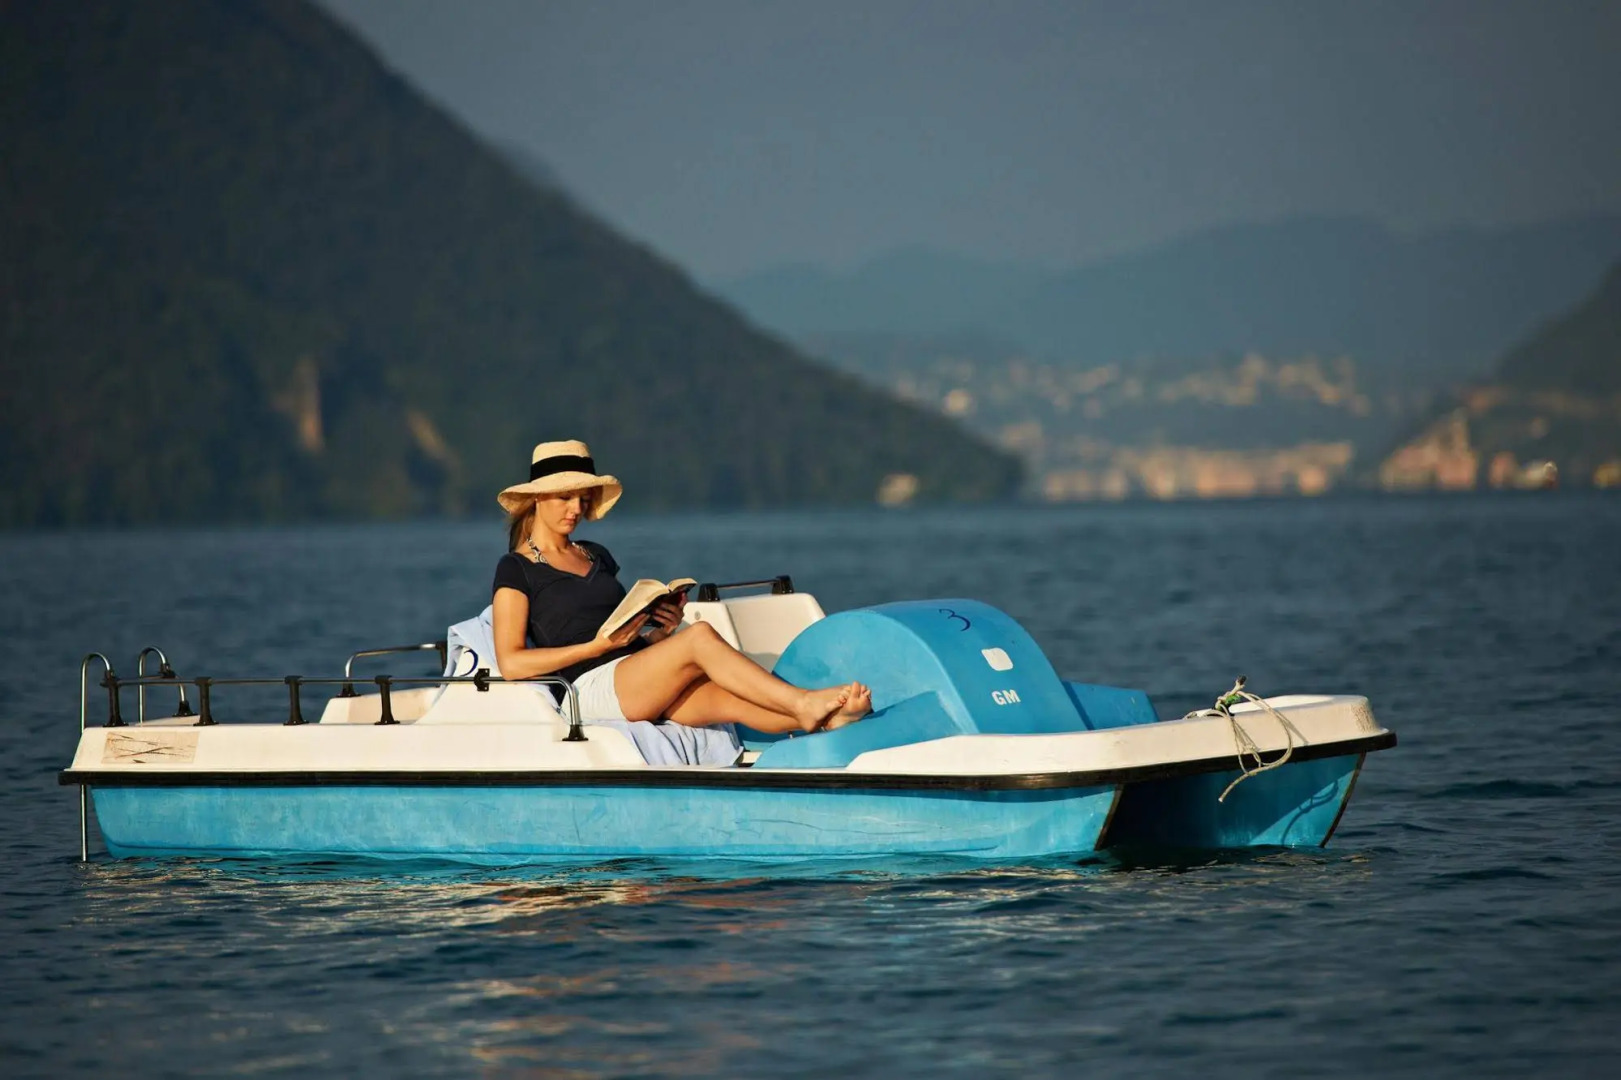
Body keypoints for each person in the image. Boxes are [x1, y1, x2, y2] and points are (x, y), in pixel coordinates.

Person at [491, 439, 872, 733]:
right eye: (565, 497)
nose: (576, 509)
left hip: (631, 672)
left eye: (582, 499)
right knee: (700, 636)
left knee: (726, 699)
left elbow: (617, 631)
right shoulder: (517, 568)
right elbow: (511, 663)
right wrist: (596, 647)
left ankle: (828, 722)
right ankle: (804, 702)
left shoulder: (595, 555)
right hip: (586, 690)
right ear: (537, 497)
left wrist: (659, 632)